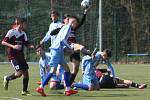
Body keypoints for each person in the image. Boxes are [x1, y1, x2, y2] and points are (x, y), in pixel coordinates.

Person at [36, 16, 80, 97]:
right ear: (72, 22)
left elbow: (61, 38)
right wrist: (70, 48)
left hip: (58, 50)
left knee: (67, 69)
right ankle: (41, 87)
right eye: (75, 23)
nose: (76, 25)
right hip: (56, 50)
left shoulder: (66, 27)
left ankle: (68, 90)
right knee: (53, 70)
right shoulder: (68, 27)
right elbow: (62, 39)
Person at [1, 17, 34, 95]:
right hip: (13, 56)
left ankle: (24, 91)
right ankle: (7, 78)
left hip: (21, 56)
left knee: (26, 73)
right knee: (19, 73)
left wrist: (32, 46)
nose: (26, 25)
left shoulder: (23, 33)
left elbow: (27, 43)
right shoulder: (11, 32)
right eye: (25, 24)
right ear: (21, 24)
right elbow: (3, 42)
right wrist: (13, 46)